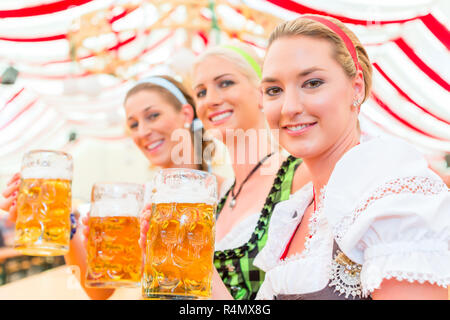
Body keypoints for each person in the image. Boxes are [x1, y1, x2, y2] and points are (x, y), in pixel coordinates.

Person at [250, 14, 449, 300]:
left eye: (313, 83)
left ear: (356, 88)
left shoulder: (393, 190)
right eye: (274, 90)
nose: (289, 107)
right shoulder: (295, 212)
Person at [0, 75, 223, 300]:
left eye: (153, 115)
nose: (142, 132)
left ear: (186, 114)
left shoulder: (231, 192)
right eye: (133, 124)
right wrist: (59, 222)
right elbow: (100, 290)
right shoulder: (136, 200)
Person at [189, 41, 311, 299]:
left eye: (225, 83)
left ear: (262, 94)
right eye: (200, 93)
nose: (210, 100)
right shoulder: (219, 197)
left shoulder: (298, 175)